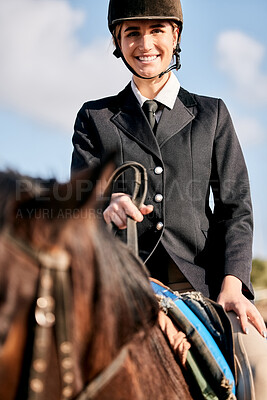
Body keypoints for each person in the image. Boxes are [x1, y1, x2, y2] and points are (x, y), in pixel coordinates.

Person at [71, 0, 267, 397]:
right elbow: (80, 209)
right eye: (132, 33)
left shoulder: (212, 114)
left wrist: (233, 284)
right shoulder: (94, 118)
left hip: (205, 284)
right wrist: (104, 209)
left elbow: (236, 210)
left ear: (175, 35)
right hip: (121, 286)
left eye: (157, 30)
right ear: (118, 41)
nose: (145, 43)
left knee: (261, 367)